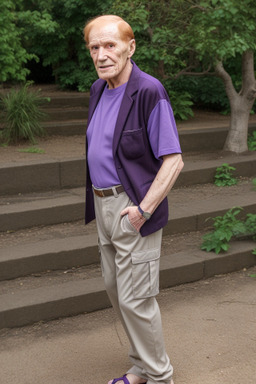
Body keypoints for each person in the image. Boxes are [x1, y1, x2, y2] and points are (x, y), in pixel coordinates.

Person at [83, 15, 184, 384]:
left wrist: (143, 210)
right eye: (95, 47)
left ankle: (161, 377)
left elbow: (174, 160)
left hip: (132, 206)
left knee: (136, 299)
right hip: (102, 204)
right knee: (116, 292)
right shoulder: (98, 89)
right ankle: (141, 365)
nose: (102, 54)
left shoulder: (148, 90)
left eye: (110, 45)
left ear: (131, 47)